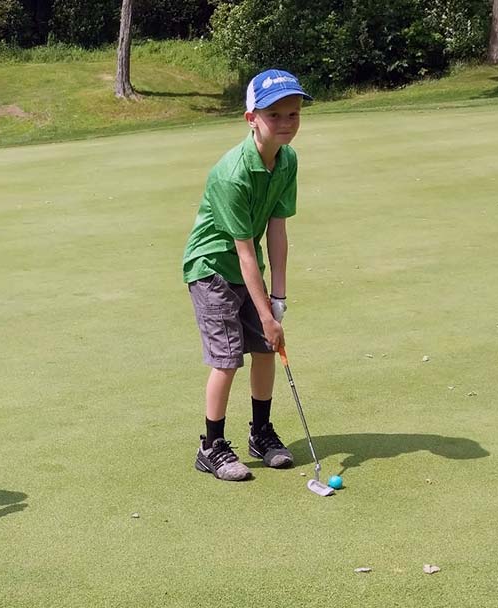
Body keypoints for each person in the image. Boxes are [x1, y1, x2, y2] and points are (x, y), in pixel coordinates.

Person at [181, 69, 313, 481]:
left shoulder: (287, 160)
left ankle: (260, 433)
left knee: (264, 349)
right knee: (227, 359)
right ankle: (212, 446)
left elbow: (276, 229)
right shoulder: (233, 173)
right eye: (275, 115)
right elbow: (242, 252)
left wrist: (279, 298)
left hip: (245, 266)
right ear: (251, 118)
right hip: (211, 268)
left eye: (293, 113)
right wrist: (267, 316)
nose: (286, 122)